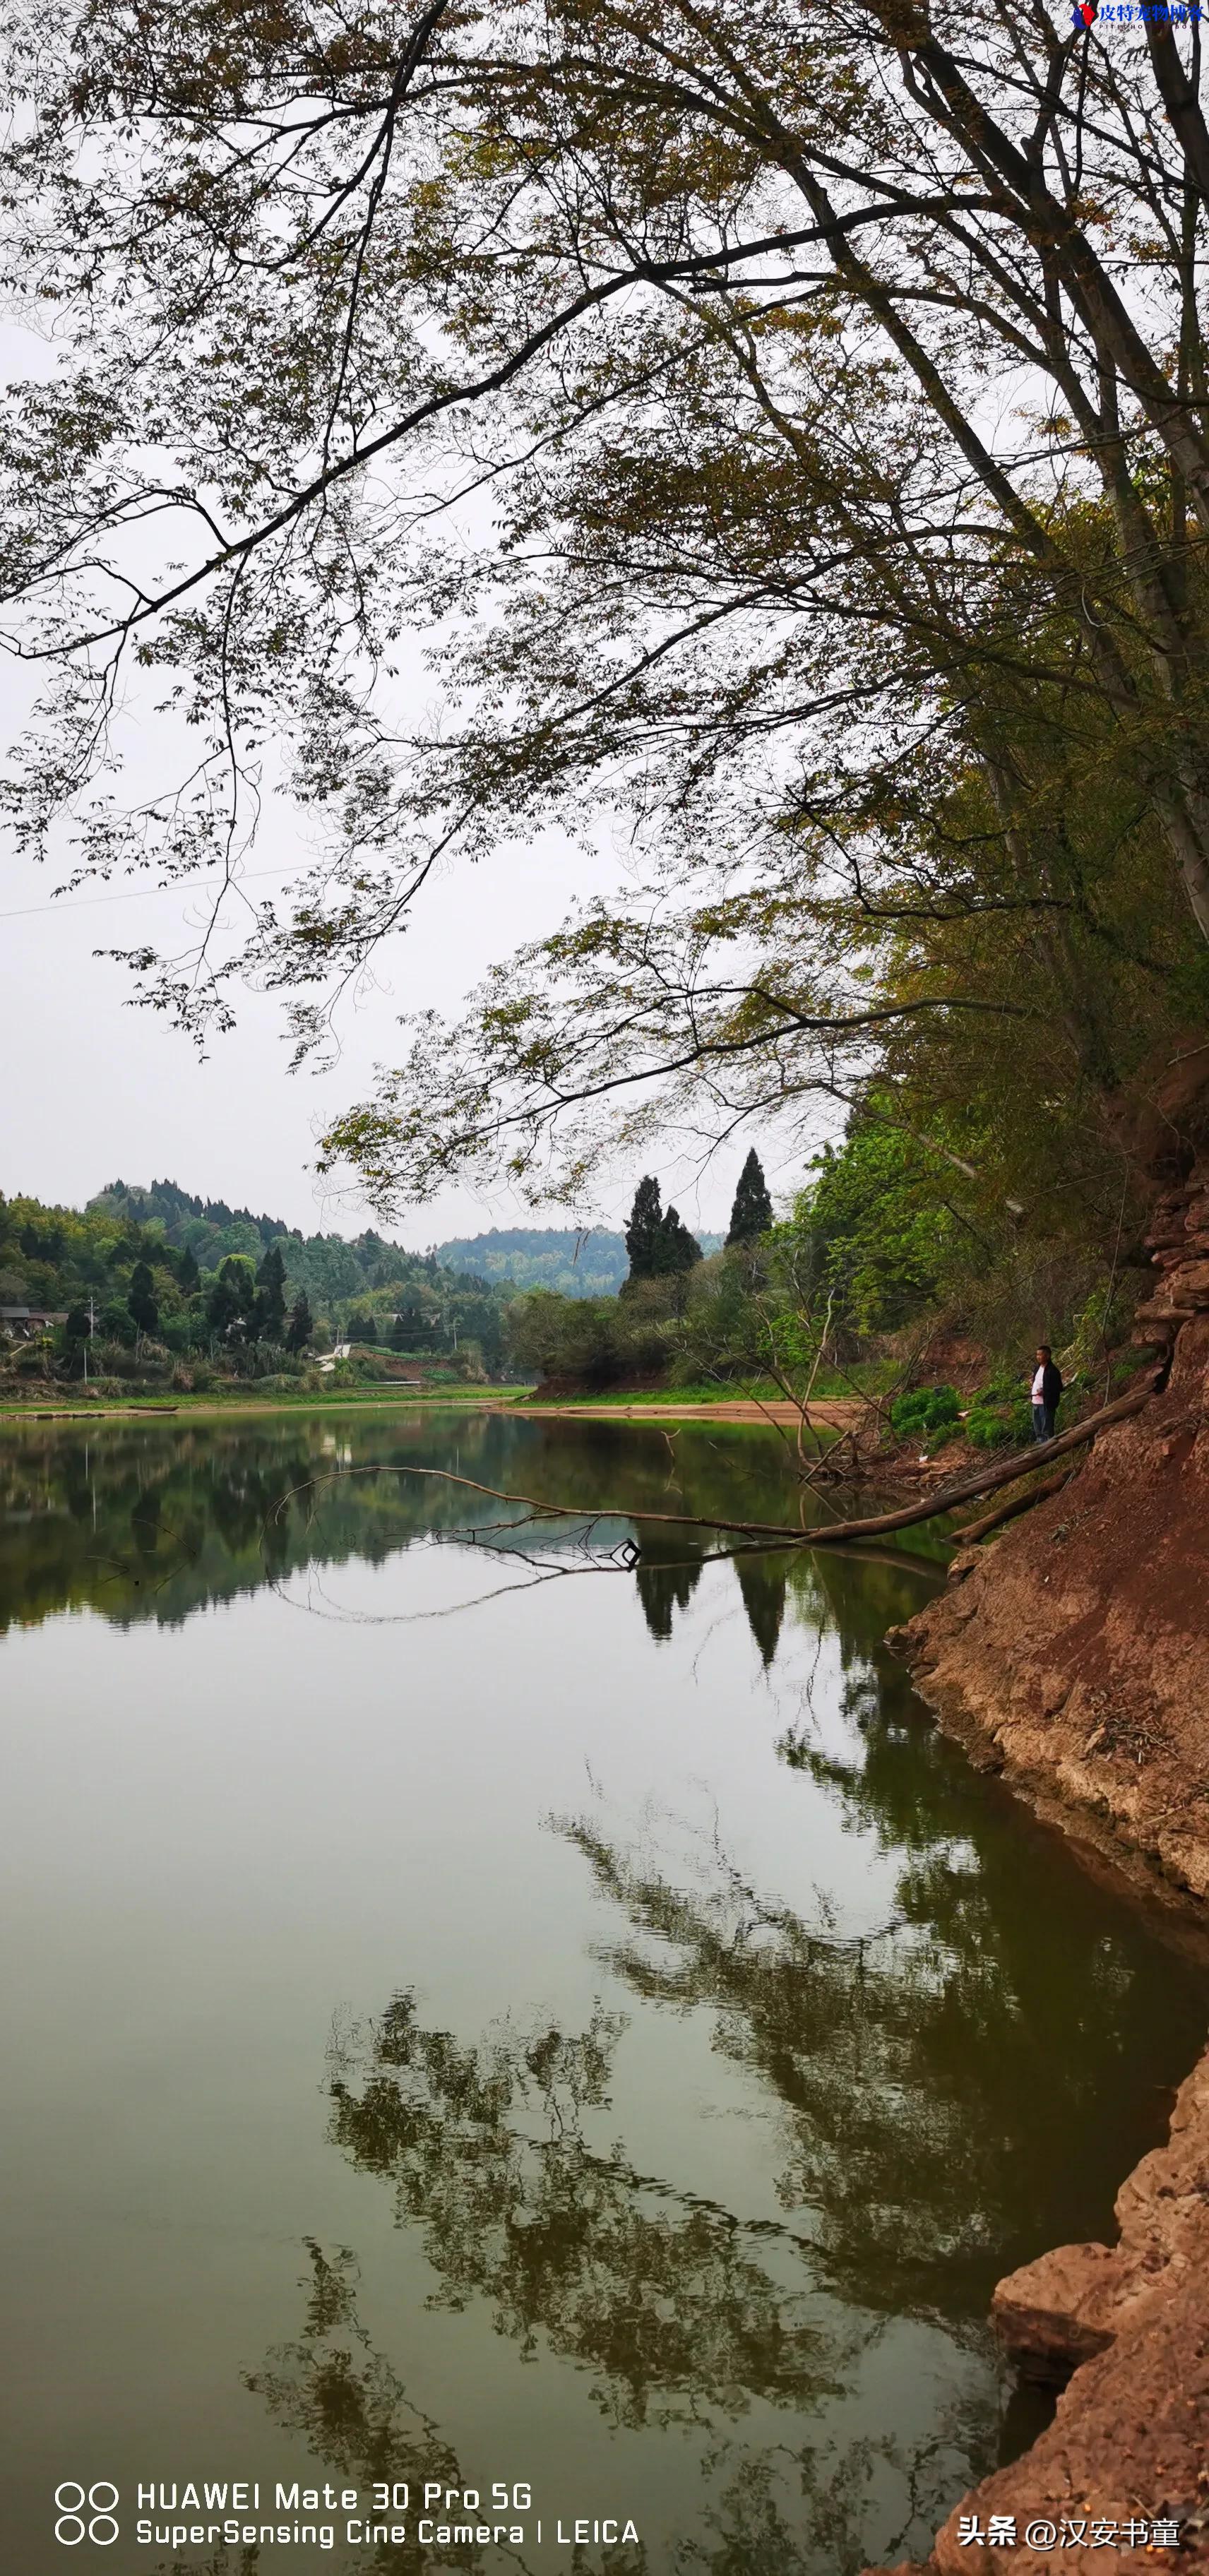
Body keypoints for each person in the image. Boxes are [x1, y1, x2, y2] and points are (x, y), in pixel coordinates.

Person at [1031, 1344, 1064, 1443]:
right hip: (1035, 1402)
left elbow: (1058, 1388)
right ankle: (1039, 1441)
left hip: (1047, 1403)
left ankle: (1048, 1446)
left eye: (1041, 1355)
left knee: (1047, 1427)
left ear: (1048, 1356)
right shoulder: (1037, 1368)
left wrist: (1045, 1391)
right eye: (1037, 1355)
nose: (1038, 1357)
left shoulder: (1053, 1371)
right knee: (1037, 1425)